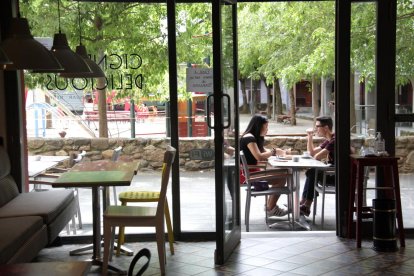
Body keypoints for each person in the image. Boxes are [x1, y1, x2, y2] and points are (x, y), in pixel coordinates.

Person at [240, 114, 291, 217]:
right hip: (247, 175)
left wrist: (280, 151)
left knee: (284, 174)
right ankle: (271, 208)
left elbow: (264, 152)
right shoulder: (249, 138)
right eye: (266, 127)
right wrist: (274, 151)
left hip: (251, 172)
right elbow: (259, 157)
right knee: (282, 178)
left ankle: (270, 207)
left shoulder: (252, 137)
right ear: (258, 126)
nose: (267, 130)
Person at [300, 116, 335, 217]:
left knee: (312, 173)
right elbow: (312, 152)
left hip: (338, 176)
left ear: (326, 128)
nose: (316, 129)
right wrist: (310, 137)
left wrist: (316, 158)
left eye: (317, 127)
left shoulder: (334, 140)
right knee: (312, 172)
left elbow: (317, 156)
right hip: (332, 172)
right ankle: (304, 204)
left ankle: (305, 204)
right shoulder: (329, 140)